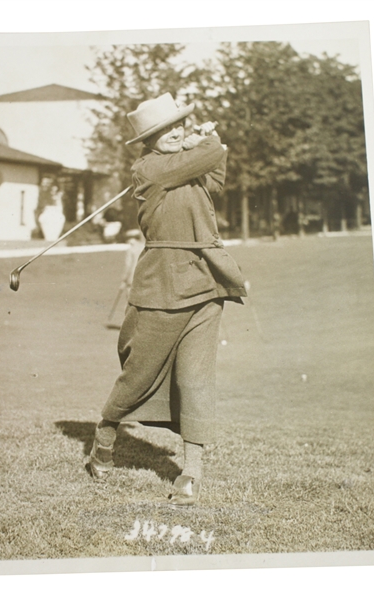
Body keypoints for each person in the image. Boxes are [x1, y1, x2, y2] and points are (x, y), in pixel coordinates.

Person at [88, 92, 247, 506]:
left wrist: (214, 148)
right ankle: (106, 431)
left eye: (179, 126)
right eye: (165, 131)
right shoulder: (150, 169)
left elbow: (214, 177)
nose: (176, 133)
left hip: (206, 280)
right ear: (148, 142)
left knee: (195, 377)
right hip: (161, 284)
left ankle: (191, 472)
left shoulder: (183, 167)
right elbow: (205, 156)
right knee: (138, 373)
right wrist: (205, 141)